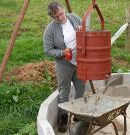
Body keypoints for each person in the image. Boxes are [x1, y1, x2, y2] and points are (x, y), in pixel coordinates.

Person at [43, 2, 85, 133]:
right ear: (52, 17)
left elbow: (87, 32)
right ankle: (63, 118)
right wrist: (62, 52)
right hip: (64, 64)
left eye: (61, 14)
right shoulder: (50, 30)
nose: (61, 18)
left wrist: (82, 30)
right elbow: (48, 50)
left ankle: (78, 116)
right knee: (64, 92)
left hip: (80, 60)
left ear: (64, 10)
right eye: (57, 17)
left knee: (80, 89)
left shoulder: (74, 18)